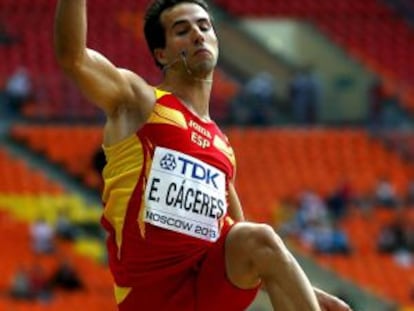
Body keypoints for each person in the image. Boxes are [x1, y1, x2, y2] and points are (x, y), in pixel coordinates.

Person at [54, 0, 352, 310]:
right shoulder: (139, 101)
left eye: (204, 26)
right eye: (182, 30)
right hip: (149, 296)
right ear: (161, 54)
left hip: (205, 293)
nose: (197, 34)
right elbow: (73, 59)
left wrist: (310, 294)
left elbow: (248, 247)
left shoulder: (221, 147)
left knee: (258, 238)